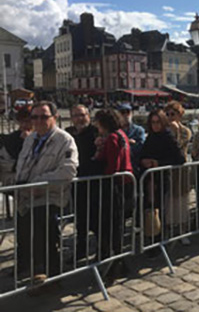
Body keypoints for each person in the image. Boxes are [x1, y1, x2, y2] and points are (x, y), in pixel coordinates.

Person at [16, 101, 79, 283]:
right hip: (26, 197)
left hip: (49, 198)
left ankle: (51, 279)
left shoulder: (64, 140)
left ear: (55, 118)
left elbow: (68, 170)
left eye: (44, 116)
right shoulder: (30, 138)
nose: (38, 121)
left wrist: (38, 184)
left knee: (46, 241)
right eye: (34, 117)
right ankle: (35, 275)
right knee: (28, 240)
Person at [93, 108, 133, 278]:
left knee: (113, 226)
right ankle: (118, 261)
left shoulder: (112, 137)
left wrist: (96, 162)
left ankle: (116, 263)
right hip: (123, 183)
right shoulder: (121, 134)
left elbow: (113, 166)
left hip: (114, 185)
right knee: (117, 226)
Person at [140, 109, 185, 244]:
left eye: (158, 122)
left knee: (159, 208)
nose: (155, 125)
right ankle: (150, 235)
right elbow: (143, 154)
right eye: (153, 123)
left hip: (161, 178)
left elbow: (180, 158)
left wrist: (158, 163)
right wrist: (143, 161)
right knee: (149, 208)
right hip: (148, 178)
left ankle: (158, 237)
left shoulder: (167, 136)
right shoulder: (150, 137)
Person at [65, 104, 103, 260]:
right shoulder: (69, 134)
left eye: (82, 115)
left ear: (88, 115)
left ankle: (101, 251)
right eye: (75, 115)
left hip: (95, 182)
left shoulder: (96, 133)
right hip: (77, 183)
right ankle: (80, 251)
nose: (79, 118)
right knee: (80, 220)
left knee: (97, 220)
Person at [164, 101, 192, 239]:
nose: (170, 117)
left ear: (179, 115)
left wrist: (175, 133)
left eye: (172, 114)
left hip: (180, 171)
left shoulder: (185, 131)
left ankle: (182, 229)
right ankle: (168, 228)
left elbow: (180, 148)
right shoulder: (162, 130)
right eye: (167, 114)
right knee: (168, 201)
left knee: (181, 200)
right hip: (165, 171)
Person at [0, 107, 32, 187]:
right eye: (21, 121)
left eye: (28, 121)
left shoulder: (41, 139)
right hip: (12, 180)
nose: (24, 125)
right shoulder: (10, 139)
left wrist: (29, 141)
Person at [118, 103, 146, 174]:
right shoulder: (116, 131)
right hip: (119, 168)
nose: (125, 115)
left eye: (128, 112)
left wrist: (125, 145)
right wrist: (129, 142)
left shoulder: (139, 130)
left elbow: (141, 147)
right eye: (122, 112)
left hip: (134, 168)